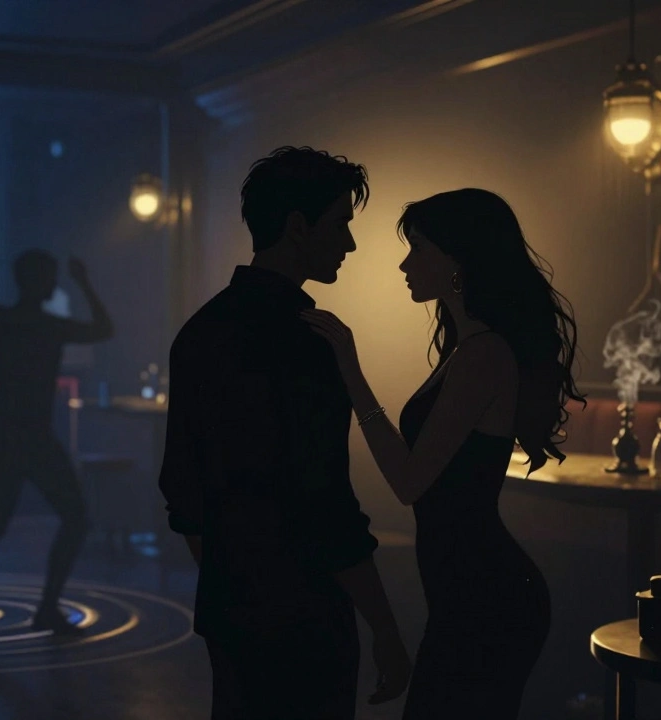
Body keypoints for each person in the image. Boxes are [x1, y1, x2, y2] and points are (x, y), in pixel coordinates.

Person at [302, 188, 583, 719]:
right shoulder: (468, 347)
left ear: (459, 260)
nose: (406, 263)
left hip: (488, 598)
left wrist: (352, 375)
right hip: (469, 593)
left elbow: (410, 483)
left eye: (420, 249)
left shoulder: (483, 354)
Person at [160, 146, 411, 719]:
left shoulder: (198, 332)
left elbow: (183, 489)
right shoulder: (308, 342)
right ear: (299, 227)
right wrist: (386, 627)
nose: (349, 244)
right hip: (307, 613)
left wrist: (237, 569)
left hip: (230, 607)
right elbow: (325, 503)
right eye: (342, 223)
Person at [0, 228, 113, 636]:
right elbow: (104, 328)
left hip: (9, 432)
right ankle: (44, 607)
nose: (55, 285)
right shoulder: (49, 325)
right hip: (33, 435)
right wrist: (84, 282)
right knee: (75, 518)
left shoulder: (3, 319)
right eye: (52, 278)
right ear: (42, 282)